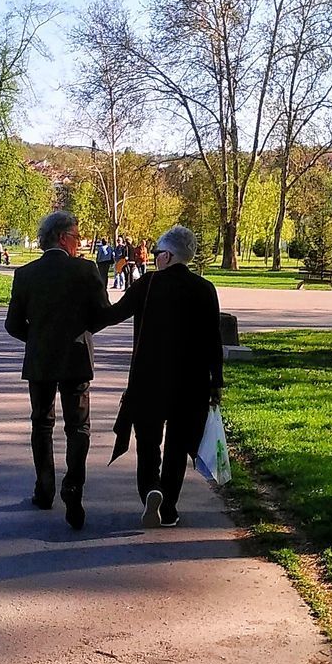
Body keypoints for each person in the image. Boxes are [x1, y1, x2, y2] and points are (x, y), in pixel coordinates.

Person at [92, 225, 223, 529]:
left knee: (148, 442)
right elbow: (212, 340)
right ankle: (170, 508)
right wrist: (216, 381)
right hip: (191, 383)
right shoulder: (205, 289)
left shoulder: (147, 284)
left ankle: (151, 487)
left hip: (148, 379)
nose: (154, 259)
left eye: (156, 253)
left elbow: (111, 316)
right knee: (178, 444)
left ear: (167, 255)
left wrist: (82, 311)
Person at [4, 211, 110, 531]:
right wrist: (80, 333)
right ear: (63, 237)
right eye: (76, 237)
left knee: (42, 423)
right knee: (78, 427)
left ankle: (45, 488)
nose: (79, 244)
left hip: (41, 361)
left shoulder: (25, 274)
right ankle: (73, 485)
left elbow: (12, 325)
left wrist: (38, 339)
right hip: (76, 359)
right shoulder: (86, 270)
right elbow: (104, 315)